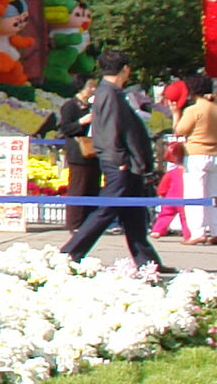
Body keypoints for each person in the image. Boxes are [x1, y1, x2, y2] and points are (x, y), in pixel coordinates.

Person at [63, 51, 159, 270]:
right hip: (120, 162)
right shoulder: (108, 93)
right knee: (106, 210)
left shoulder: (111, 92)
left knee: (134, 214)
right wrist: (119, 158)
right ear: (125, 69)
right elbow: (109, 129)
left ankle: (147, 262)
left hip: (126, 161)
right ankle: (69, 253)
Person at [179, 75, 217, 245]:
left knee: (195, 194)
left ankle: (197, 232)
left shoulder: (193, 110)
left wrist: (176, 113)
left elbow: (181, 130)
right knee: (214, 194)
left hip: (196, 153)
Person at [49, 75, 100, 231]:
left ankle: (90, 222)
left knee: (93, 188)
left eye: (94, 86)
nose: (93, 89)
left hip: (94, 151)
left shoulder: (93, 106)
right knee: (78, 188)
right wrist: (81, 122)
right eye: (90, 86)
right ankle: (74, 223)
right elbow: (65, 128)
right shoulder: (70, 106)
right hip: (78, 153)